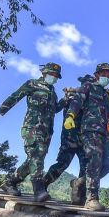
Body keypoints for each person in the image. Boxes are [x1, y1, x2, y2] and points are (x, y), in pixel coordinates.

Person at [0, 62, 64, 202]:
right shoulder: (32, 84)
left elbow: (55, 109)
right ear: (44, 73)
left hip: (47, 132)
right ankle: (38, 189)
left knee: (32, 161)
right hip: (32, 128)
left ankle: (10, 182)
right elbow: (14, 97)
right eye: (51, 74)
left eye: (56, 76)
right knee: (37, 157)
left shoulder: (53, 92)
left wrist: (66, 100)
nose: (54, 77)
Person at [64, 63, 109, 211]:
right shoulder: (88, 86)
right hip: (89, 129)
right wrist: (70, 116)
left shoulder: (107, 94)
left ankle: (80, 183)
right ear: (97, 74)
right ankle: (91, 198)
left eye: (108, 76)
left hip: (105, 132)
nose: (106, 77)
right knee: (95, 160)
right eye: (104, 74)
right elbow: (77, 101)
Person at [41, 76, 89, 205]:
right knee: (62, 164)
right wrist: (68, 95)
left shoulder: (91, 99)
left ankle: (78, 197)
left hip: (84, 139)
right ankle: (42, 185)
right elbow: (65, 109)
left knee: (85, 167)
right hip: (70, 137)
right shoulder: (73, 96)